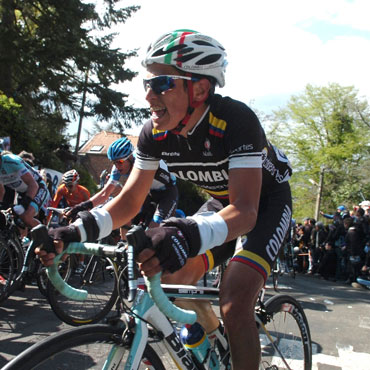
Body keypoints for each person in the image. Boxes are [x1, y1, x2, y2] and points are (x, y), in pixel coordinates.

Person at [37, 29, 292, 370]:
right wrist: (74, 231)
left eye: (161, 84)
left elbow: (246, 211)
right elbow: (128, 202)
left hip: (264, 204)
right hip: (222, 203)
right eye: (147, 83)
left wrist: (184, 233)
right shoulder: (153, 133)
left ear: (199, 89)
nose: (148, 95)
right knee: (171, 276)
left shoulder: (236, 121)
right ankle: (213, 352)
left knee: (235, 297)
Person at [66, 137, 179, 241]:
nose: (117, 166)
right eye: (114, 162)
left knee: (153, 227)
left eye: (120, 162)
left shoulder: (145, 164)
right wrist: (82, 206)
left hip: (167, 193)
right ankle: (124, 248)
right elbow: (105, 193)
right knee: (125, 217)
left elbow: (129, 194)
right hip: (148, 192)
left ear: (131, 157)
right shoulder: (117, 168)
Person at [0, 149, 49, 231]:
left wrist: (24, 205)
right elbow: (1, 191)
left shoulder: (12, 161)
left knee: (26, 217)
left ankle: (46, 239)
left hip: (37, 187)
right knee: (16, 221)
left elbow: (33, 185)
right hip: (22, 192)